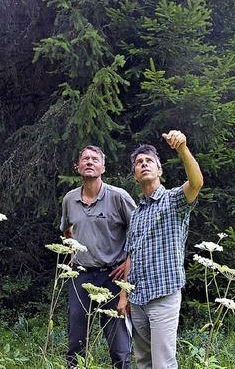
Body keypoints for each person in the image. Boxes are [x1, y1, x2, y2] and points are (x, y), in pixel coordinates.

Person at [117, 130, 204, 369]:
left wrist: (183, 149)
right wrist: (124, 296)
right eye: (138, 162)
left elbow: (196, 183)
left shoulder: (174, 200)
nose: (143, 164)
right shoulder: (135, 215)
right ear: (135, 175)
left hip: (163, 295)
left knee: (163, 363)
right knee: (144, 361)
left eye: (149, 161)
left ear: (159, 169)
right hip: (137, 299)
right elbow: (130, 255)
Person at [60, 145, 137, 368]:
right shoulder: (69, 199)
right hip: (81, 277)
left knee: (119, 345)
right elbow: (67, 230)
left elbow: (139, 231)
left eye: (95, 159)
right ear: (78, 167)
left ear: (103, 167)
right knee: (76, 341)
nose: (90, 162)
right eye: (85, 159)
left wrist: (127, 263)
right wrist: (72, 251)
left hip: (112, 277)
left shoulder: (118, 197)